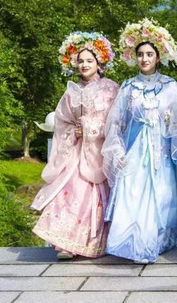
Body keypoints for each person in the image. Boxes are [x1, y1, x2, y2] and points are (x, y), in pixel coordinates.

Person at [102, 18, 177, 264]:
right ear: (134, 58)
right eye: (140, 55)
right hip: (135, 149)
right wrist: (117, 150)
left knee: (162, 193)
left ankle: (155, 240)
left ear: (158, 58)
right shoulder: (128, 87)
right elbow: (117, 122)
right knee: (132, 191)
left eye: (149, 54)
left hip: (160, 151)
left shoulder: (169, 85)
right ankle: (131, 241)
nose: (144, 59)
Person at [32, 32, 119, 260]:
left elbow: (116, 120)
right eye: (80, 61)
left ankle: (91, 242)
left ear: (99, 63)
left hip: (99, 152)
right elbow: (62, 120)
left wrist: (91, 128)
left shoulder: (111, 89)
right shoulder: (71, 91)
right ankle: (65, 245)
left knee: (93, 198)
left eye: (89, 60)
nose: (84, 65)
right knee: (69, 193)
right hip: (76, 152)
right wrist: (75, 131)